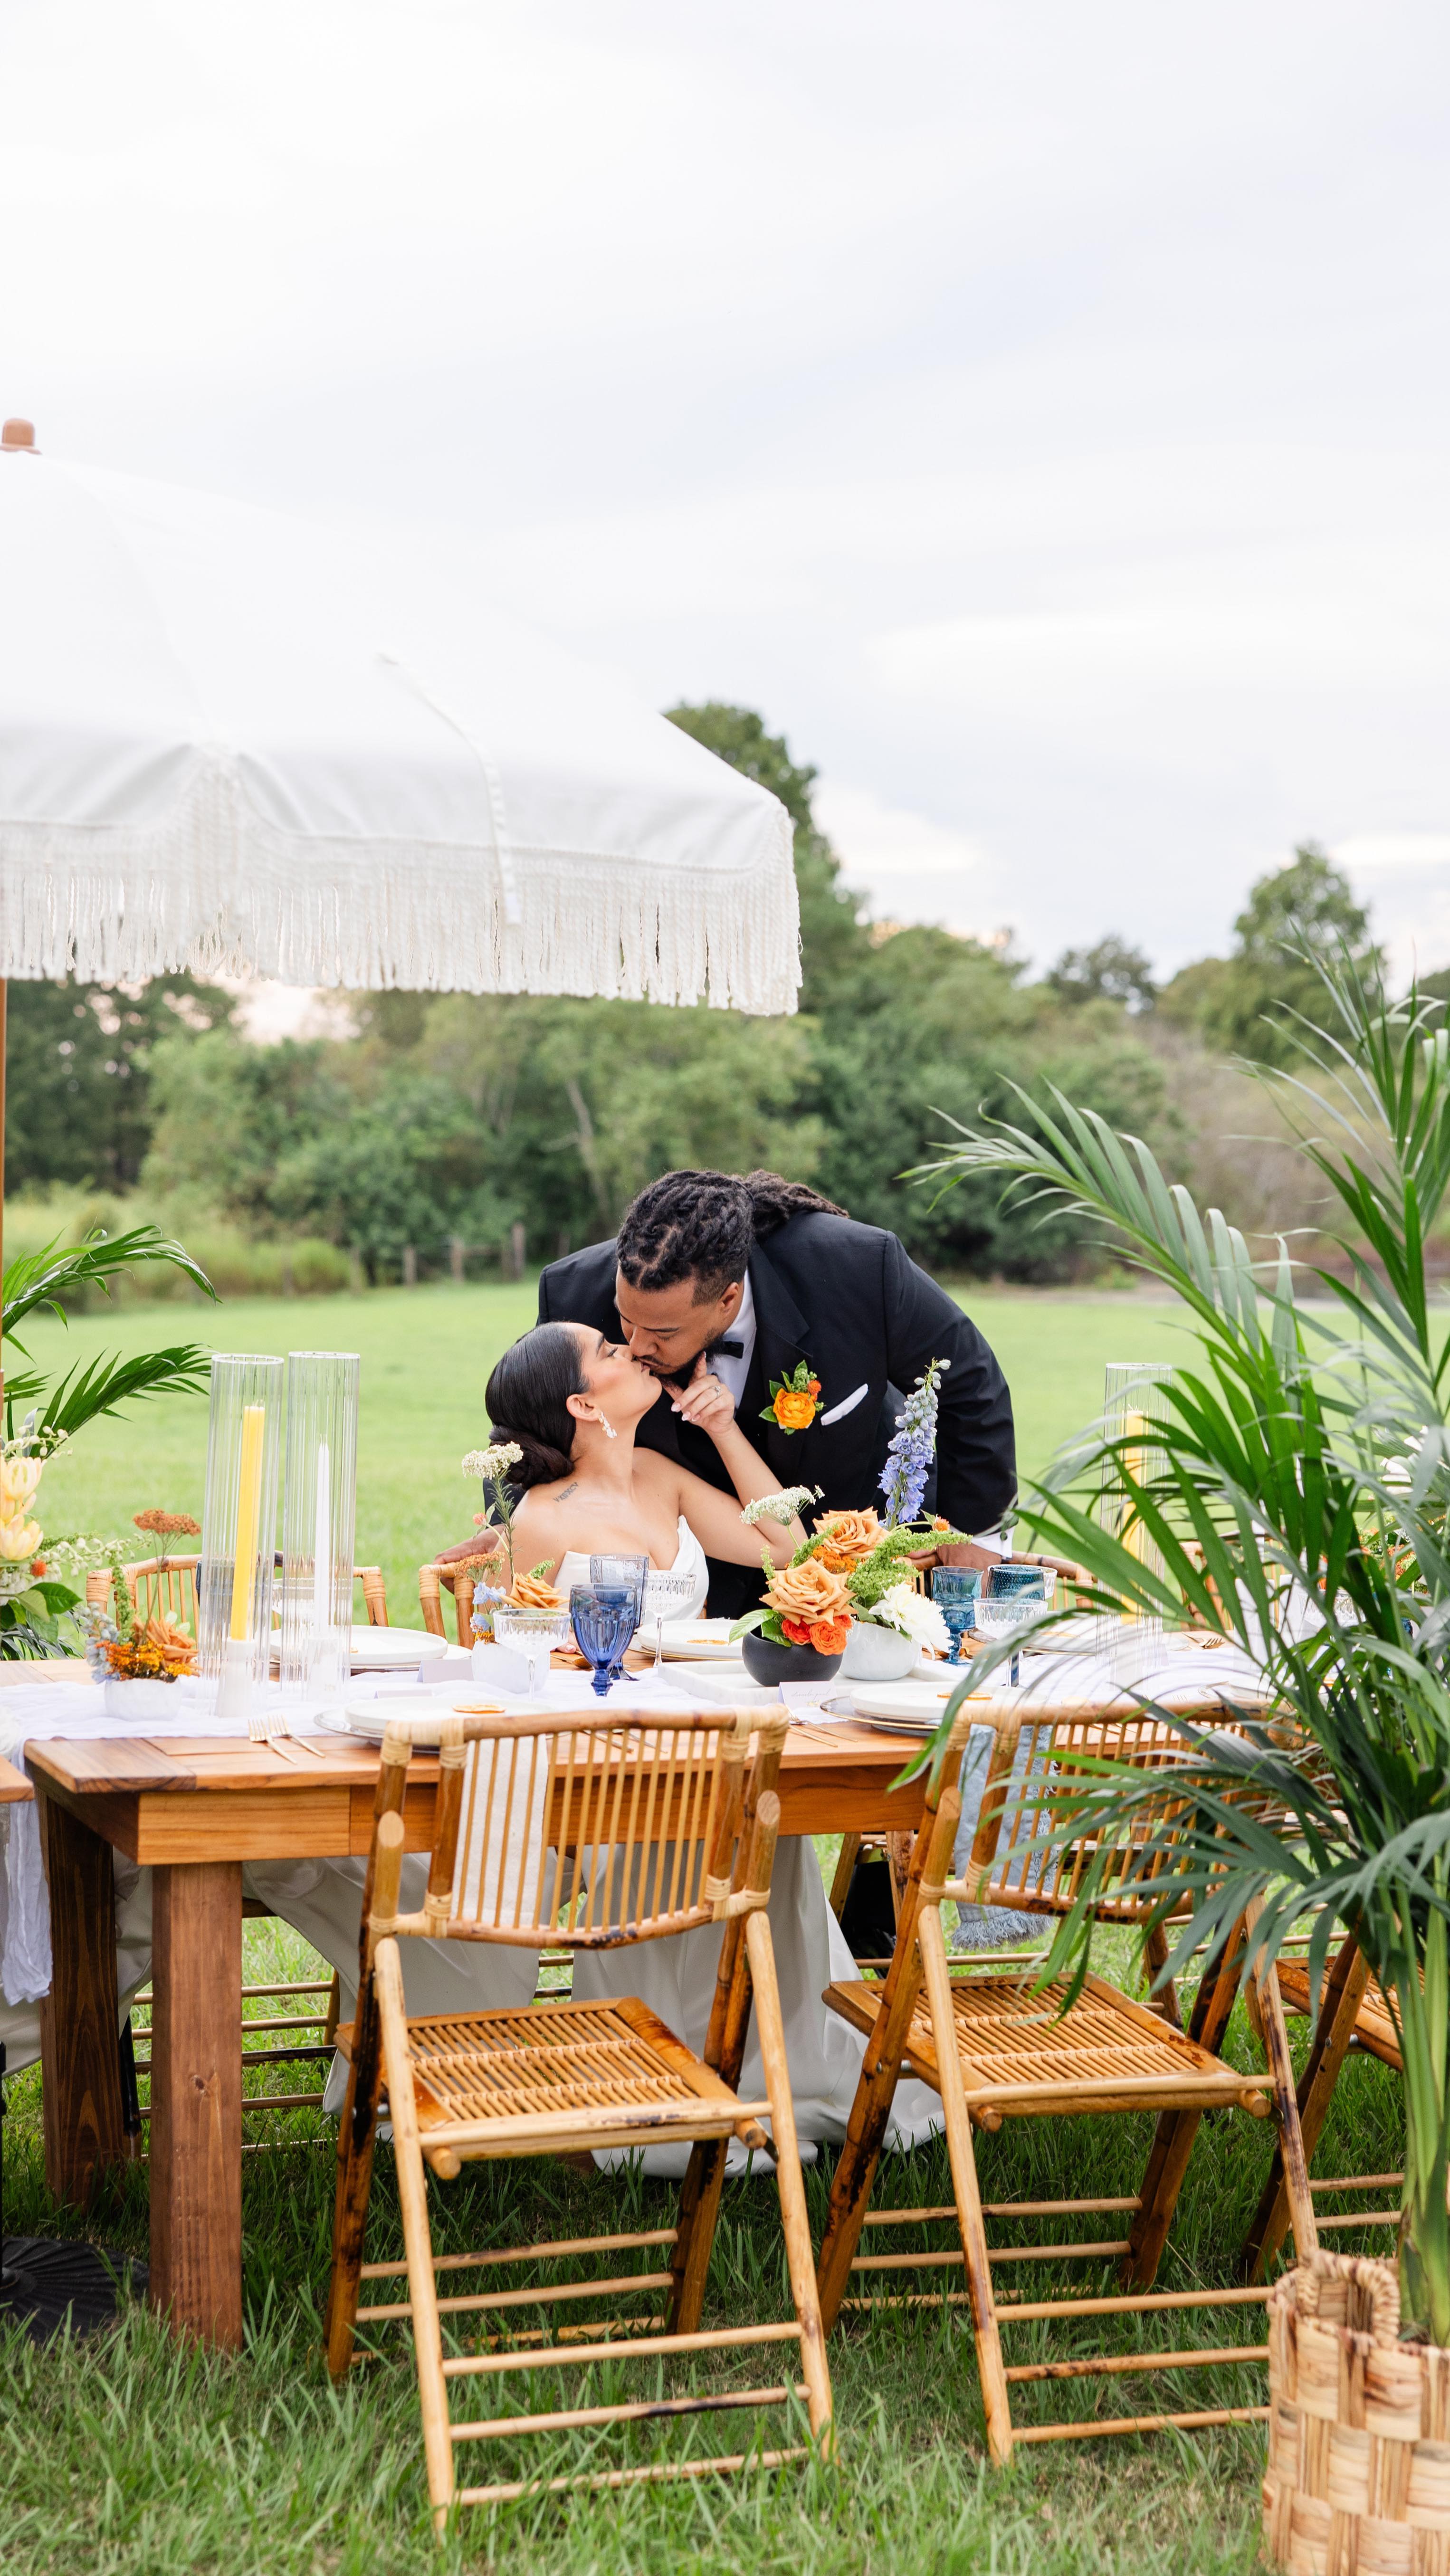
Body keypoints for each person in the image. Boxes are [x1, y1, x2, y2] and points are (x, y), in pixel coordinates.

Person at [529, 1168, 1017, 1618]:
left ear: (728, 1299)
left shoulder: (861, 1268)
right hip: (692, 1592)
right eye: (624, 1319)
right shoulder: (574, 1295)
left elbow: (970, 1383)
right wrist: (514, 1527)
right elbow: (529, 1420)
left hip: (863, 1575)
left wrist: (978, 1533)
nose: (634, 1347)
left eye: (662, 1332)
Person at [483, 1318, 808, 1613]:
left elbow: (787, 1548)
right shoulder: (540, 1521)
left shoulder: (658, 1475)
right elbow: (492, 1640)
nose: (631, 1351)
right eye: (608, 1353)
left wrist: (722, 1429)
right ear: (583, 1405)